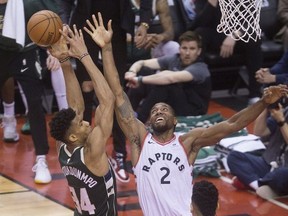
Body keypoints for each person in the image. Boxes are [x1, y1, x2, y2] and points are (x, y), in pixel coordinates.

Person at [89, 12, 288, 215]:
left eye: (164, 109)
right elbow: (118, 94)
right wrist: (106, 48)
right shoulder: (140, 139)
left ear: (175, 121)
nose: (159, 110)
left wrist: (263, 102)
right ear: (149, 119)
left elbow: (233, 124)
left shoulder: (187, 142)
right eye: (155, 110)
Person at [56, 0, 153, 183]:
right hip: (84, 24)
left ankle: (119, 154)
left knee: (117, 93)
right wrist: (64, 22)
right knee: (86, 88)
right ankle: (82, 153)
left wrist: (144, 23)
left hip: (114, 26)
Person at [48, 16, 117, 215]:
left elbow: (75, 109)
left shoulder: (62, 147)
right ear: (73, 137)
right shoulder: (92, 152)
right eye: (81, 124)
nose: (86, 121)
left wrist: (64, 61)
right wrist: (84, 55)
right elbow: (108, 101)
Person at [0, 0, 61, 184]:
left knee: (35, 105)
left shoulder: (29, 3)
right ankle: (8, 121)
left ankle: (41, 160)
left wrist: (53, 51)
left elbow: (52, 24)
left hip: (26, 52)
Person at [125, 30, 211, 123]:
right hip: (174, 103)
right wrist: (131, 72)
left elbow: (170, 78)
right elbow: (142, 63)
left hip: (192, 110)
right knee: (145, 70)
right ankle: (127, 114)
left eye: (192, 49)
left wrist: (139, 79)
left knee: (165, 85)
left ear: (198, 51)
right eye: (184, 48)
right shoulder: (175, 59)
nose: (187, 53)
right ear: (179, 49)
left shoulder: (200, 68)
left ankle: (139, 120)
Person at [187, 0, 263, 105]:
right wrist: (211, 4)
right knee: (199, 34)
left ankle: (255, 95)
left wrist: (234, 35)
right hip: (214, 36)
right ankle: (196, 92)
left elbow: (252, 22)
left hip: (236, 36)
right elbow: (197, 24)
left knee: (254, 38)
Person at [227, 102, 288, 199]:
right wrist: (265, 107)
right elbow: (259, 131)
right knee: (233, 157)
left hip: (284, 170)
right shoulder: (284, 111)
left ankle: (253, 181)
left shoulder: (280, 117)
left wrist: (281, 122)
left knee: (281, 174)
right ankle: (259, 185)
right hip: (268, 163)